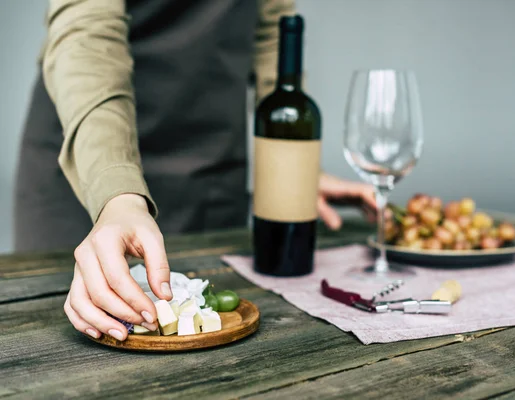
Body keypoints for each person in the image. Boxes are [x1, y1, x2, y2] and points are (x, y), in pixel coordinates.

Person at [14, 0, 376, 341]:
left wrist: (294, 167)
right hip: (90, 156)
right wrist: (116, 193)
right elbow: (87, 34)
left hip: (210, 168)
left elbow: (270, 30)